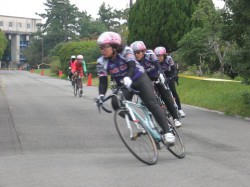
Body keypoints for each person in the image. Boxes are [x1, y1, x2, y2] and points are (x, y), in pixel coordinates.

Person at [96, 31, 175, 143]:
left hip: (139, 78)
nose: (102, 50)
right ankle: (141, 122)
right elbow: (103, 81)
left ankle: (167, 132)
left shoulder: (126, 51)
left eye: (105, 47)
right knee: (116, 104)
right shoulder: (101, 61)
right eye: (101, 48)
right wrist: (101, 95)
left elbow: (132, 66)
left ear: (114, 46)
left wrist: (128, 77)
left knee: (152, 104)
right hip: (124, 84)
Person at [130, 41, 182, 127]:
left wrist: (161, 74)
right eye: (134, 53)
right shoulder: (133, 60)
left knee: (166, 96)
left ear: (143, 51)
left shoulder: (150, 54)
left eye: (138, 52)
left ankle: (175, 118)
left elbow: (158, 66)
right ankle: (152, 122)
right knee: (150, 101)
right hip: (146, 79)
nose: (136, 55)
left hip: (157, 75)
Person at [154, 46, 186, 118]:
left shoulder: (169, 58)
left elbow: (174, 69)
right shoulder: (154, 61)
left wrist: (174, 76)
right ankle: (165, 106)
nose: (158, 57)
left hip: (169, 74)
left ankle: (180, 109)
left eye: (160, 56)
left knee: (173, 91)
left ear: (164, 55)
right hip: (160, 75)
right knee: (161, 92)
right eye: (157, 56)